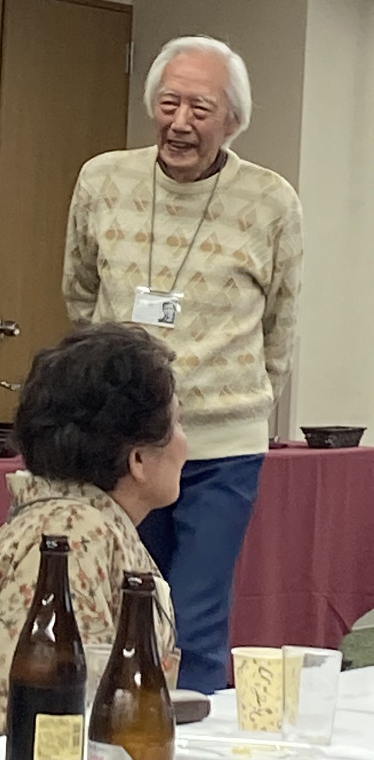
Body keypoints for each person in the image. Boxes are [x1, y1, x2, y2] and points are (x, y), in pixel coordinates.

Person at [63, 35, 303, 694]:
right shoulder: (103, 180)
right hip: (122, 442)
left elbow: (280, 325)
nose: (179, 123)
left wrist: (236, 400)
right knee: (118, 608)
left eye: (200, 108)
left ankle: (190, 749)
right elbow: (80, 293)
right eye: (169, 104)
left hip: (220, 448)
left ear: (234, 121)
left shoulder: (271, 201)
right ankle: (114, 742)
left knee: (195, 618)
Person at [0, 323, 185, 736]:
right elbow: (32, 715)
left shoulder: (75, 523)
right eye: (179, 424)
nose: (187, 445)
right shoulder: (75, 536)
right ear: (138, 460)